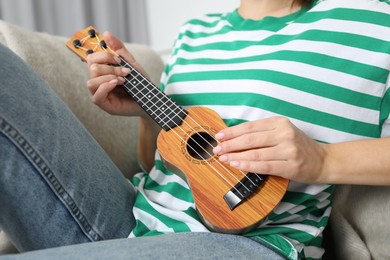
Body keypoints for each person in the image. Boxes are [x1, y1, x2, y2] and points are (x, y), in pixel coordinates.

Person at [1, 0, 389, 259]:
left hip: (250, 243)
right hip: (130, 216)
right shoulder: (194, 34)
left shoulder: (377, 22)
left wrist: (324, 159)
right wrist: (146, 110)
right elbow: (164, 159)